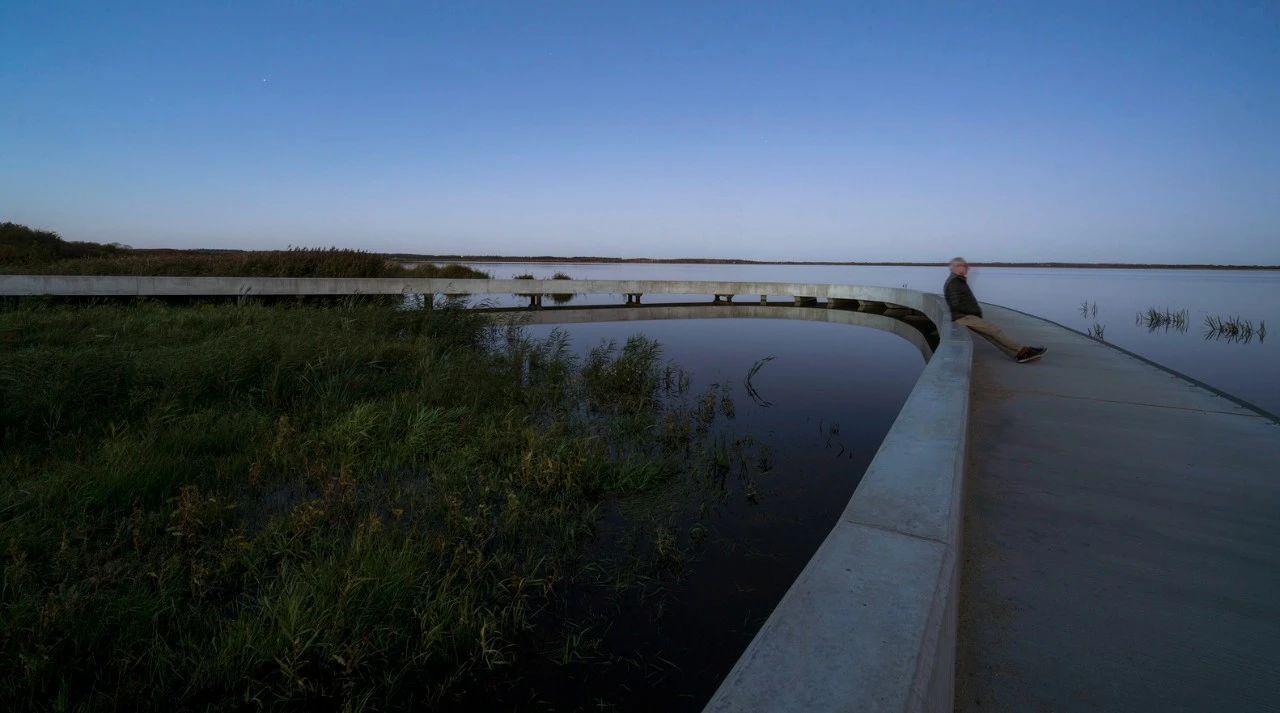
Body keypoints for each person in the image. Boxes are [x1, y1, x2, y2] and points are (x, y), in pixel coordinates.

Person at [944, 257, 1047, 363]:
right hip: (964, 317)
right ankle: (1022, 351)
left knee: (990, 335)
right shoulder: (954, 282)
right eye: (964, 266)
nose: (967, 268)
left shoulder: (958, 280)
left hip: (965, 315)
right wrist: (973, 312)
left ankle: (1019, 355)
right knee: (995, 331)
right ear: (956, 267)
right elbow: (955, 304)